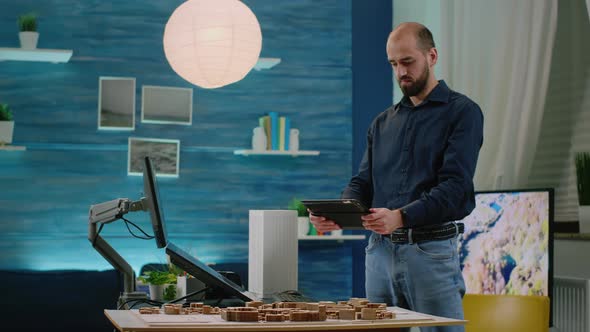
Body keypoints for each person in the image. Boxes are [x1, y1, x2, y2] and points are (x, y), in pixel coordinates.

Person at [309, 22, 484, 332]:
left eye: (408, 61)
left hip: (430, 252)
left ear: (432, 56)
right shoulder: (382, 123)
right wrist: (338, 213)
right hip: (378, 252)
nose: (401, 71)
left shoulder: (463, 112)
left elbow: (456, 187)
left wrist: (401, 217)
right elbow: (364, 182)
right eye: (394, 64)